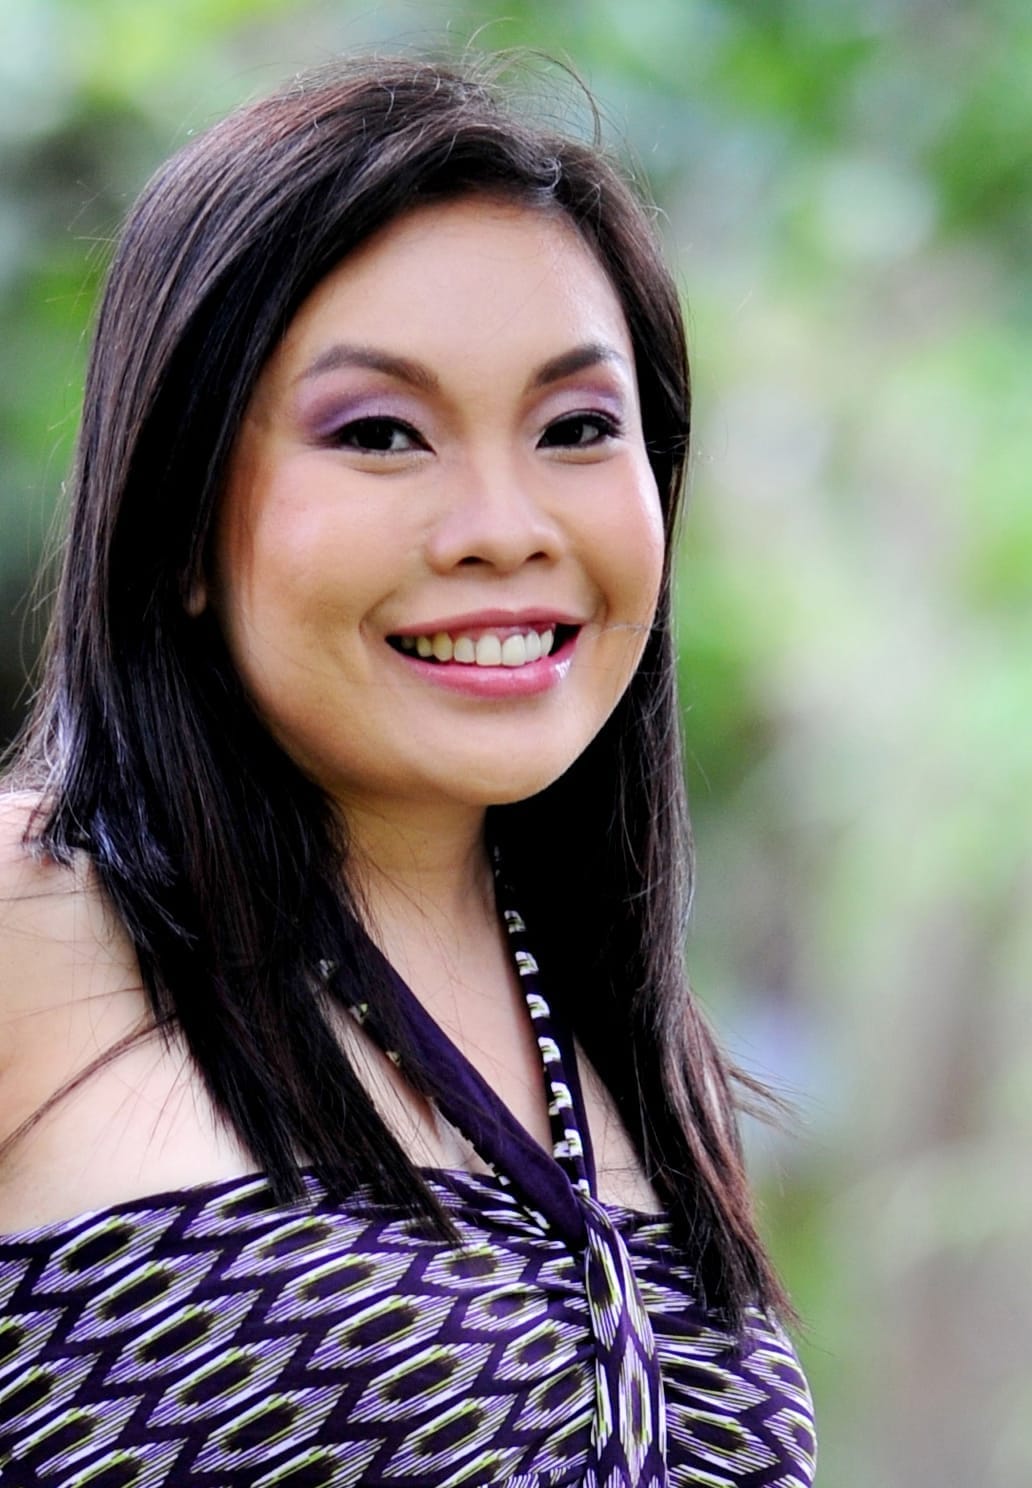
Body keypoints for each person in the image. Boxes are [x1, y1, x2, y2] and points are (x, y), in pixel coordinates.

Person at [0, 56, 816, 1488]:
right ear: (180, 520)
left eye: (578, 429)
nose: (505, 526)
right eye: (381, 434)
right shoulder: (37, 925)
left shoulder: (627, 1043)